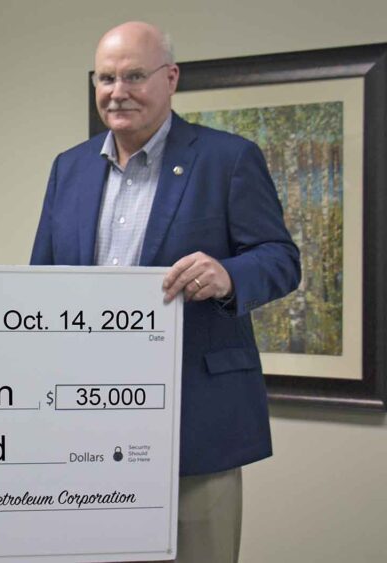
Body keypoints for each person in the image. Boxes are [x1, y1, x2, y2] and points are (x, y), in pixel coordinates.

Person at [30, 21, 300, 562]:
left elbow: (280, 259)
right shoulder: (70, 168)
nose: (117, 91)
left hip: (195, 426)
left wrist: (228, 276)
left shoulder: (227, 159)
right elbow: (42, 281)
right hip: (84, 425)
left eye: (134, 76)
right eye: (105, 78)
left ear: (170, 78)